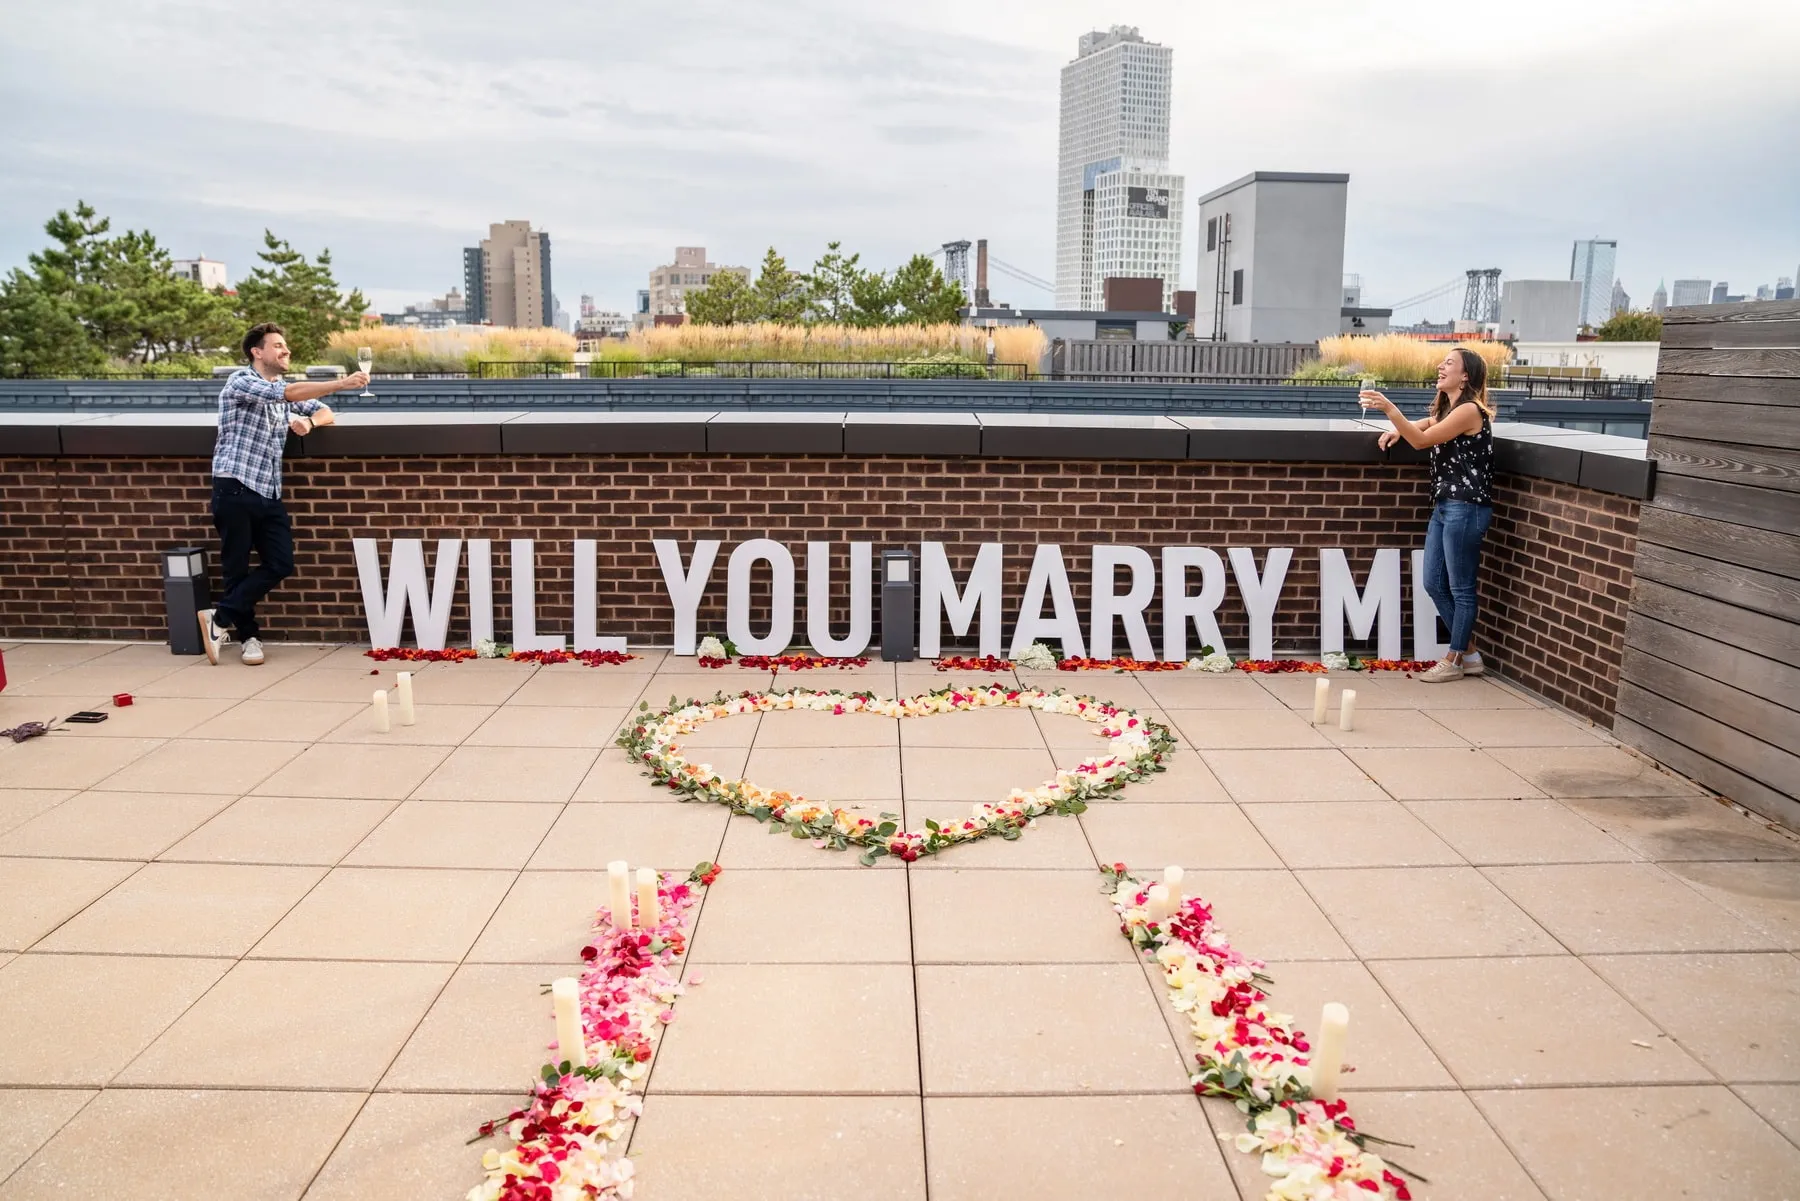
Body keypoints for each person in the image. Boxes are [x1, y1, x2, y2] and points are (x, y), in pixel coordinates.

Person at [197, 323, 368, 665]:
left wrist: (310, 423)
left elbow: (324, 411)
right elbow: (289, 394)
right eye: (277, 346)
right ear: (256, 352)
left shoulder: (280, 394)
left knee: (281, 562)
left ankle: (220, 618)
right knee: (235, 568)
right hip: (235, 485)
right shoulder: (241, 381)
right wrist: (342, 383)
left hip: (268, 490)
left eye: (285, 345)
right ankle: (250, 639)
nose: (286, 350)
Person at [1358, 348, 1495, 683]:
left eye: (1449, 363)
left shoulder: (1470, 410)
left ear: (1465, 376)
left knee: (1461, 588)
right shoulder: (1451, 410)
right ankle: (1470, 654)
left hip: (1466, 507)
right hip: (1446, 506)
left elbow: (1420, 441)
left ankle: (1454, 659)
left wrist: (1390, 410)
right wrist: (1399, 430)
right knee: (1433, 582)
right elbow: (1427, 425)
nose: (1439, 366)